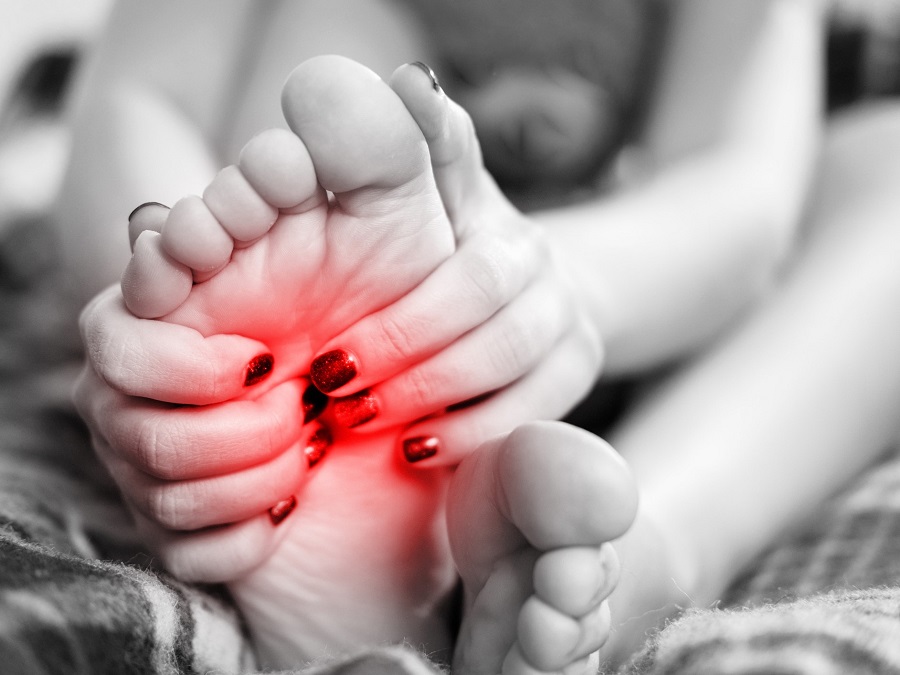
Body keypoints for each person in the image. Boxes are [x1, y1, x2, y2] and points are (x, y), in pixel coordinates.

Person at [61, 0, 900, 671]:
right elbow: (142, 104)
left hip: (635, 280)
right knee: (332, 57)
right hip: (329, 357)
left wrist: (540, 283)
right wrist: (184, 319)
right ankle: (384, 542)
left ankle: (634, 545)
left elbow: (738, 192)